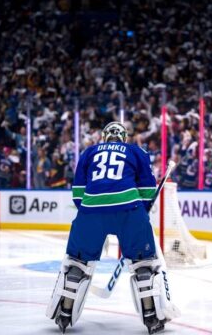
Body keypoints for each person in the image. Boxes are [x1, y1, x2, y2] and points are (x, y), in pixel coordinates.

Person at [46, 122, 180, 334]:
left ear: (105, 136)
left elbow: (78, 192)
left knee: (77, 262)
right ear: (124, 137)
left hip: (91, 211)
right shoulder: (136, 151)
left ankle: (65, 310)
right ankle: (152, 316)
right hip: (129, 210)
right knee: (143, 263)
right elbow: (147, 188)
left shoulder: (89, 152)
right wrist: (139, 213)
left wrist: (89, 212)